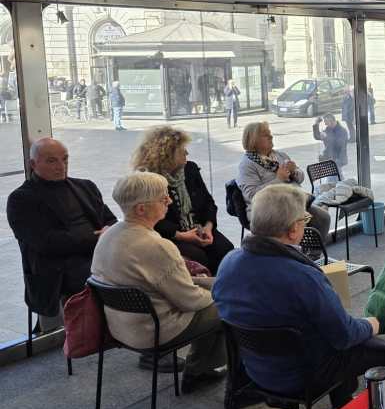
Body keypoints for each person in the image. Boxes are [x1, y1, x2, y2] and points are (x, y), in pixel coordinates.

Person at [213, 183, 385, 409]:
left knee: (323, 332)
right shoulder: (302, 276)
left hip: (257, 371)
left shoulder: (229, 263)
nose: (306, 225)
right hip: (305, 374)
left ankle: (342, 405)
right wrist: (372, 324)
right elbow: (345, 336)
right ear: (292, 230)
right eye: (304, 220)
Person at [91, 171, 226, 392]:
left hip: (120, 326)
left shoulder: (110, 235)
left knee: (215, 289)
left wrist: (211, 283)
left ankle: (201, 368)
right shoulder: (157, 246)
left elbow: (161, 281)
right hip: (154, 329)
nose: (170, 201)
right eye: (163, 198)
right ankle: (201, 372)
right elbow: (189, 300)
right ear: (141, 208)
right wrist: (222, 293)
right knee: (230, 305)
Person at [8, 137, 117, 331]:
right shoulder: (21, 199)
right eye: (52, 160)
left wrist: (106, 233)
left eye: (65, 159)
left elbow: (110, 221)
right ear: (33, 164)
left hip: (94, 257)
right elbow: (47, 243)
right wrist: (96, 237)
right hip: (56, 268)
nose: (61, 166)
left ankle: (133, 331)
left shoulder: (86, 187)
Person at [131, 126, 235, 275]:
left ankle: (222, 290)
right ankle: (205, 292)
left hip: (199, 229)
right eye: (182, 150)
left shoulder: (190, 169)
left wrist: (208, 227)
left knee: (226, 250)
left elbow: (208, 203)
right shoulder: (149, 180)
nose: (187, 153)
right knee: (198, 258)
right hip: (171, 236)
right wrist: (182, 235)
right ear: (166, 154)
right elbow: (152, 220)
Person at [237, 121, 332, 244]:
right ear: (253, 140)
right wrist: (278, 179)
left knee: (323, 218)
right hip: (267, 210)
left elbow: (301, 177)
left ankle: (311, 255)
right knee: (300, 225)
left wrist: (294, 172)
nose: (271, 137)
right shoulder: (247, 165)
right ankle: (295, 255)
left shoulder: (279, 155)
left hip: (292, 203)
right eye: (266, 135)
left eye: (270, 133)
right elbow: (252, 195)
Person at [313, 113, 349, 178]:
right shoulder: (328, 129)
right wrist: (316, 124)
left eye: (326, 122)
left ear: (332, 121)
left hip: (338, 158)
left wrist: (326, 137)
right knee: (334, 178)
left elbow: (338, 144)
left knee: (335, 177)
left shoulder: (342, 131)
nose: (325, 124)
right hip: (330, 158)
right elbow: (318, 136)